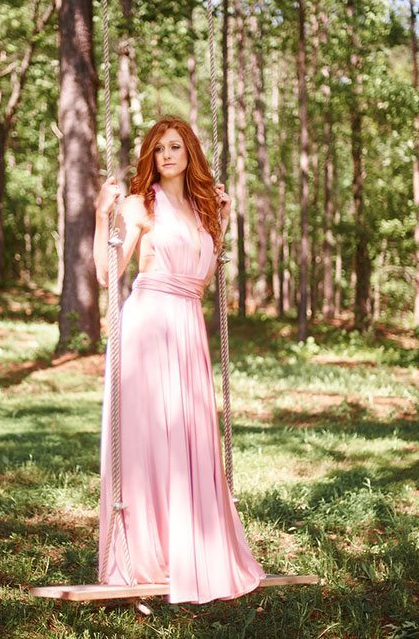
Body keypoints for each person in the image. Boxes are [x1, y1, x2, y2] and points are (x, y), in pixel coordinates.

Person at [94, 116, 265, 604]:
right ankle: (139, 563)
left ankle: (185, 553)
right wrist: (99, 215)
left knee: (186, 437)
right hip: (148, 324)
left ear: (189, 152)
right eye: (159, 148)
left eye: (176, 146)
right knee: (149, 440)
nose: (168, 154)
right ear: (151, 155)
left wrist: (223, 225)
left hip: (188, 327)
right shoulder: (139, 205)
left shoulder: (201, 209)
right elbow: (109, 276)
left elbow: (202, 278)